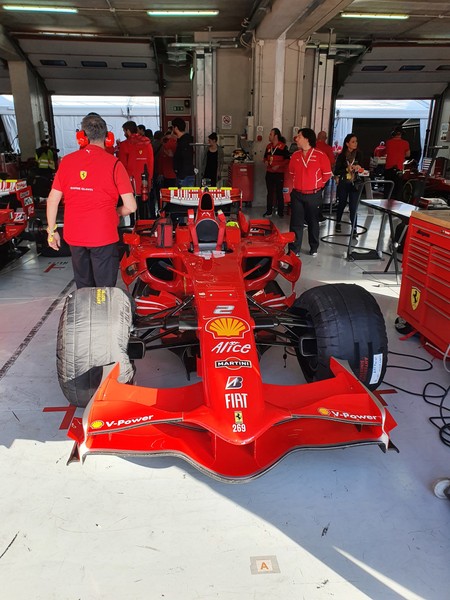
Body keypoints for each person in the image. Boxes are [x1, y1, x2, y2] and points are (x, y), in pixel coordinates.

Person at [45, 113, 136, 289]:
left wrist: (52, 231)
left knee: (83, 285)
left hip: (75, 235)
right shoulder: (115, 164)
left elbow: (52, 200)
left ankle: (85, 306)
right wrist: (116, 212)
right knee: (104, 289)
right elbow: (131, 206)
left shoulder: (66, 162)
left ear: (81, 136)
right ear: (108, 138)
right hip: (103, 234)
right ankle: (102, 306)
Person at [288, 128, 332, 256]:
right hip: (297, 194)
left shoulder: (320, 155)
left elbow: (327, 174)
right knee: (296, 223)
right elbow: (291, 173)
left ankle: (314, 247)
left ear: (307, 139)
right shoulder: (295, 156)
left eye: (299, 136)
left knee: (313, 221)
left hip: (314, 194)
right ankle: (294, 249)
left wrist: (318, 185)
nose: (296, 139)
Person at [118, 120, 154, 218]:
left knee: (132, 209)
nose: (124, 134)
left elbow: (122, 166)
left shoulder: (125, 145)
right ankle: (145, 223)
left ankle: (134, 224)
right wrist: (150, 179)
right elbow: (151, 162)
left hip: (131, 182)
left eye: (124, 131)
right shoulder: (147, 143)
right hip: (144, 181)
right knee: (144, 207)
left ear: (128, 131)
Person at [333, 133, 364, 237]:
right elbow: (336, 171)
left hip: (355, 183)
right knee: (341, 203)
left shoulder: (359, 154)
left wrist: (359, 168)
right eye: (353, 142)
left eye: (356, 141)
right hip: (344, 182)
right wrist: (347, 169)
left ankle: (354, 228)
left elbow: (363, 168)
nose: (355, 143)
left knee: (353, 206)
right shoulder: (342, 156)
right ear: (347, 143)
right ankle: (338, 222)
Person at [263, 128, 290, 217]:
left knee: (279, 192)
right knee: (269, 193)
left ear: (276, 136)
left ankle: (280, 212)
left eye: (271, 134)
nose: (269, 136)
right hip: (269, 172)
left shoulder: (283, 147)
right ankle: (269, 211)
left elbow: (287, 160)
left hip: (279, 173)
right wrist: (265, 161)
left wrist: (279, 165)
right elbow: (265, 157)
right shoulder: (268, 146)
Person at [385, 128, 410, 200]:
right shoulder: (405, 143)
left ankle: (386, 201)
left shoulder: (388, 142)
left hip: (389, 167)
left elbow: (386, 152)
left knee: (388, 187)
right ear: (401, 134)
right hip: (399, 168)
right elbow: (408, 154)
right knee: (398, 189)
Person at [315, 130, 336, 220]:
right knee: (320, 195)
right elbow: (332, 162)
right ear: (326, 138)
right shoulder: (328, 148)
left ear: (317, 137)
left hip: (311, 176)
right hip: (323, 176)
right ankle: (318, 215)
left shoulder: (312, 146)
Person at [172, 117, 195, 187]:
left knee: (182, 193)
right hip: (189, 173)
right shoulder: (187, 140)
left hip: (183, 176)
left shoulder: (183, 142)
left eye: (172, 127)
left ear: (176, 128)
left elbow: (184, 157)